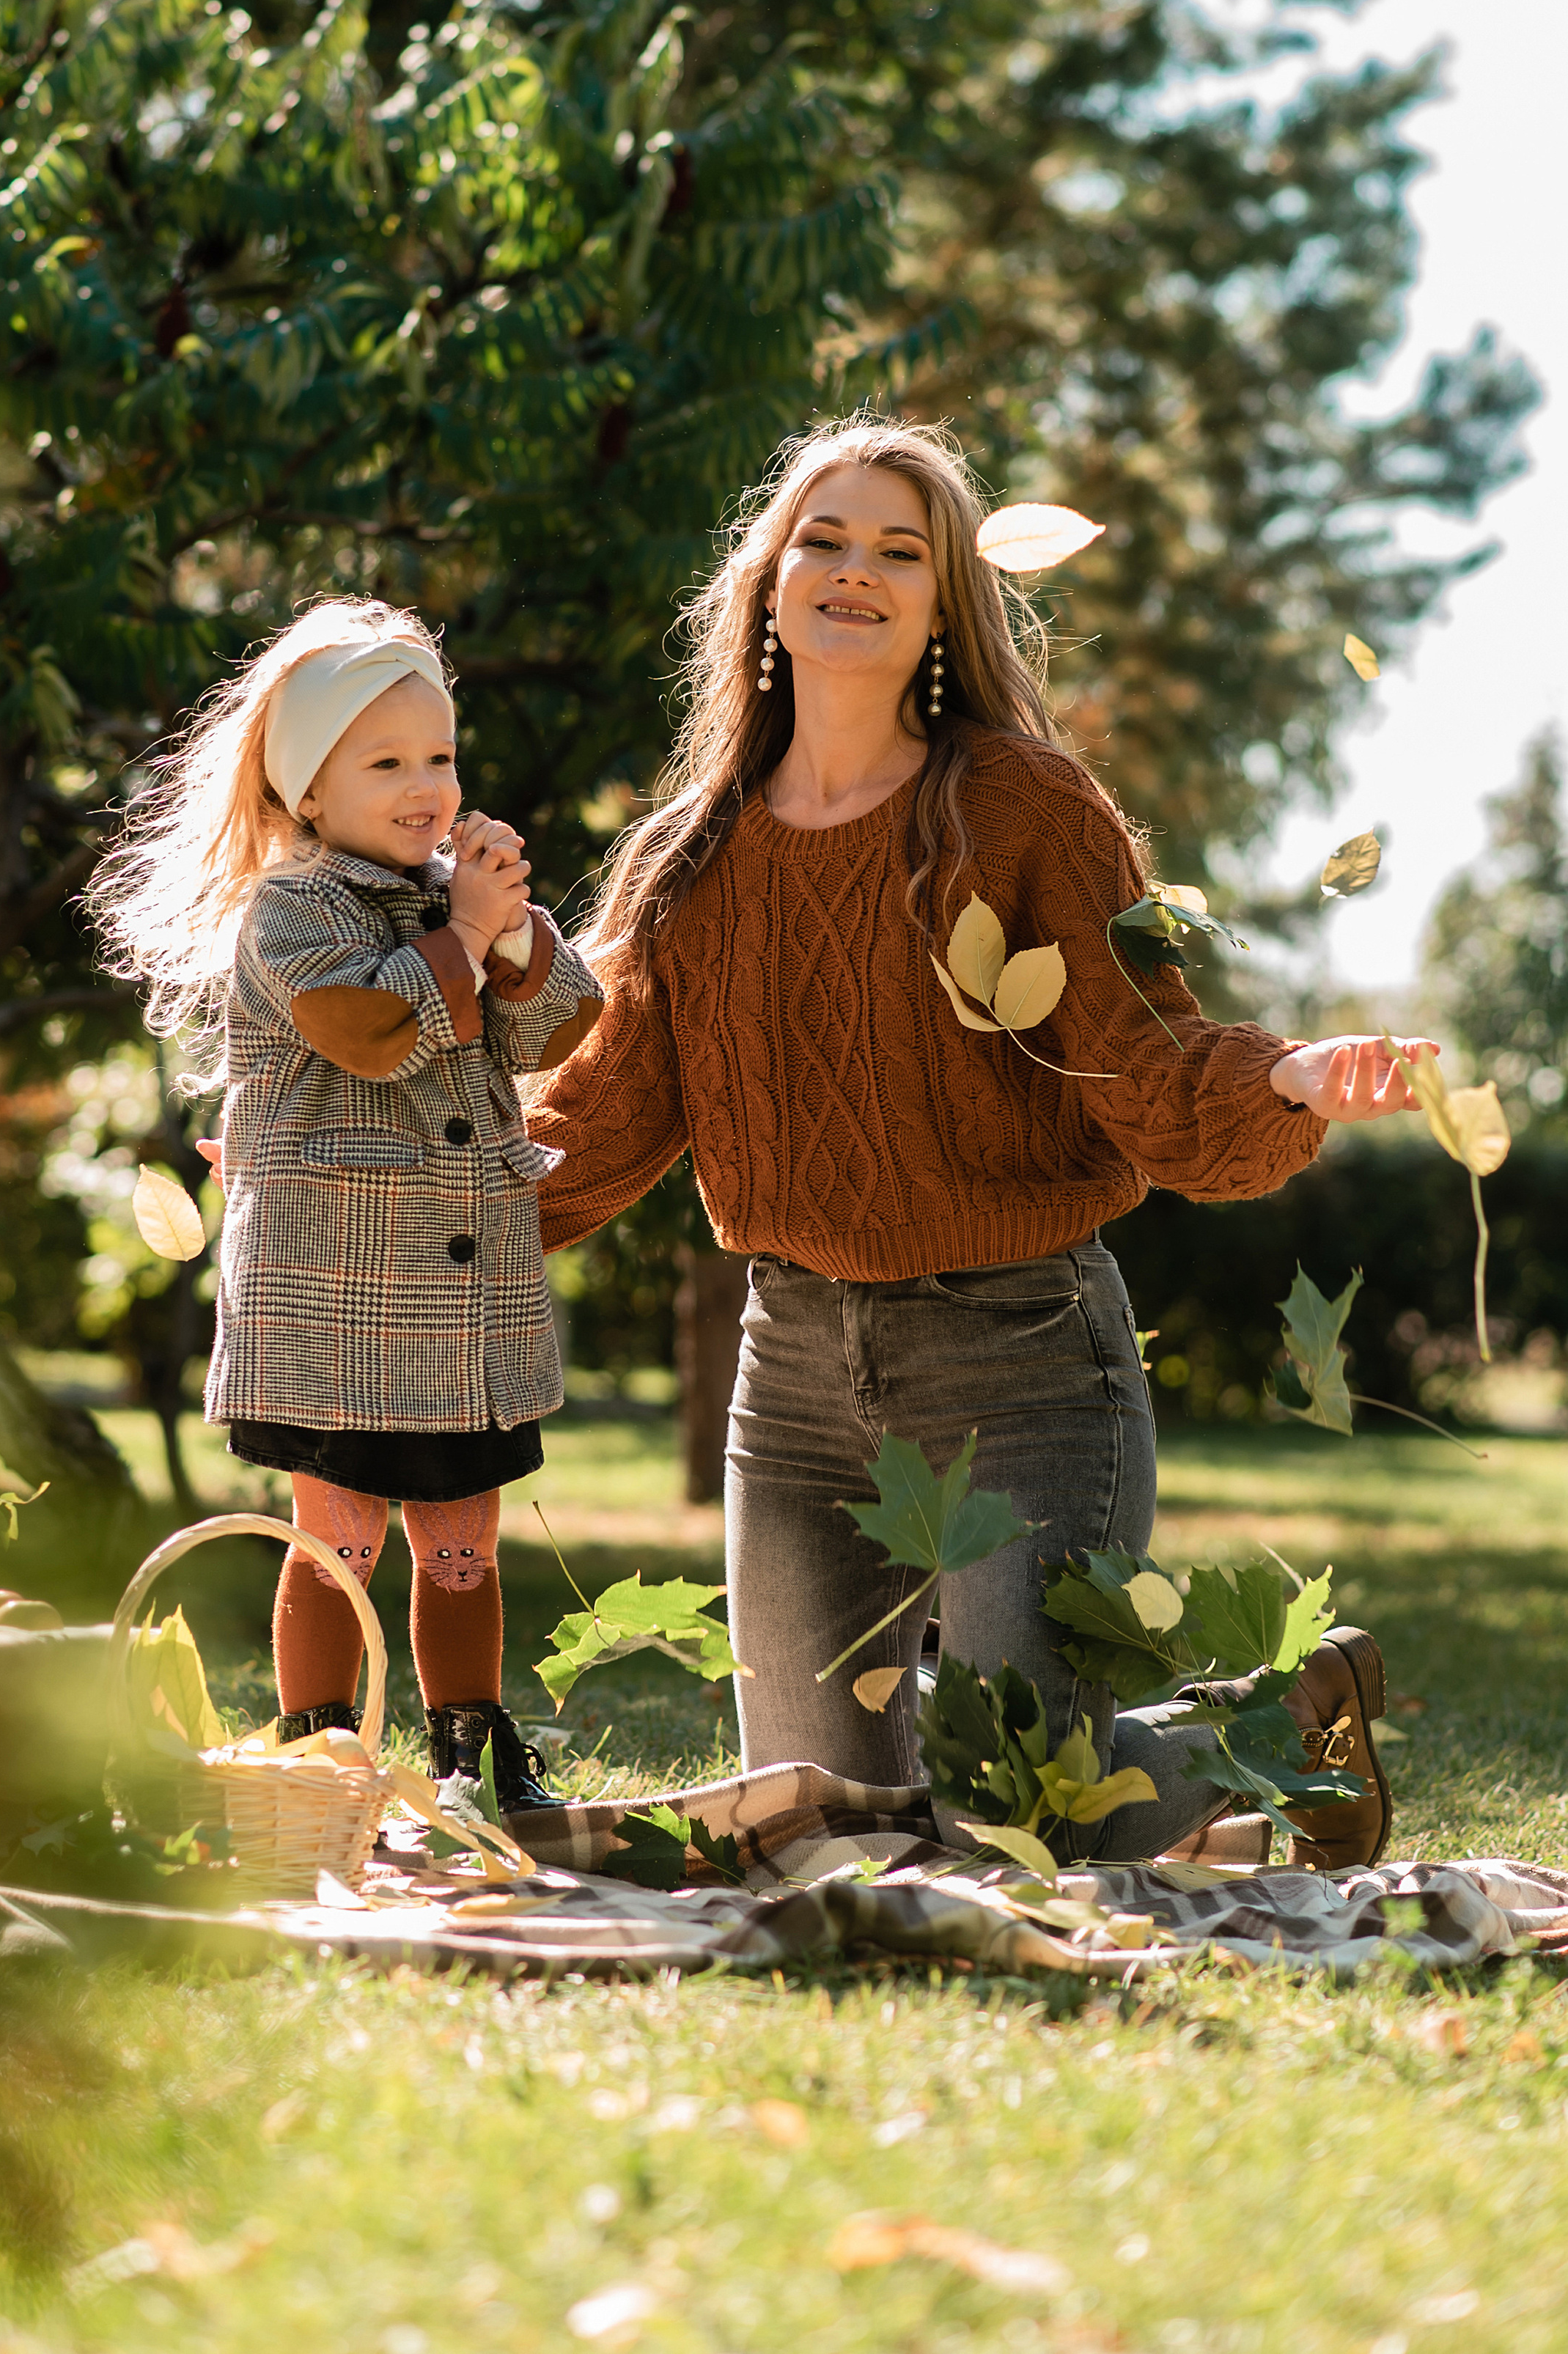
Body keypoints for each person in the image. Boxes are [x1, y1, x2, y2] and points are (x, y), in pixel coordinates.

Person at [529, 418, 1427, 1868]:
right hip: (796, 1378)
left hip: (1023, 1365)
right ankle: (1234, 1729)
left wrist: (1295, 1076)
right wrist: (365, 1165)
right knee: (817, 1829)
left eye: (901, 552)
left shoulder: (1022, 810)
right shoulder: (685, 862)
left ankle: (1275, 1727)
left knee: (1010, 1821)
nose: (855, 571)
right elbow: (589, 1128)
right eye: (821, 539)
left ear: (946, 607)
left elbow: (1143, 1065)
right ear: (764, 584)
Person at [92, 597, 603, 1812]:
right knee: (341, 1541)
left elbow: (564, 1021)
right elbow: (368, 1031)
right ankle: (320, 1747)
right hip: (336, 1298)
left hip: (466, 1301)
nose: (427, 786)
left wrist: (511, 936)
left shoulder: (451, 899)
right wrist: (467, 938)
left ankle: (470, 1749)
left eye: (442, 757)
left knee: (464, 1542)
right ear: (307, 795)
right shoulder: (290, 911)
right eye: (387, 762)